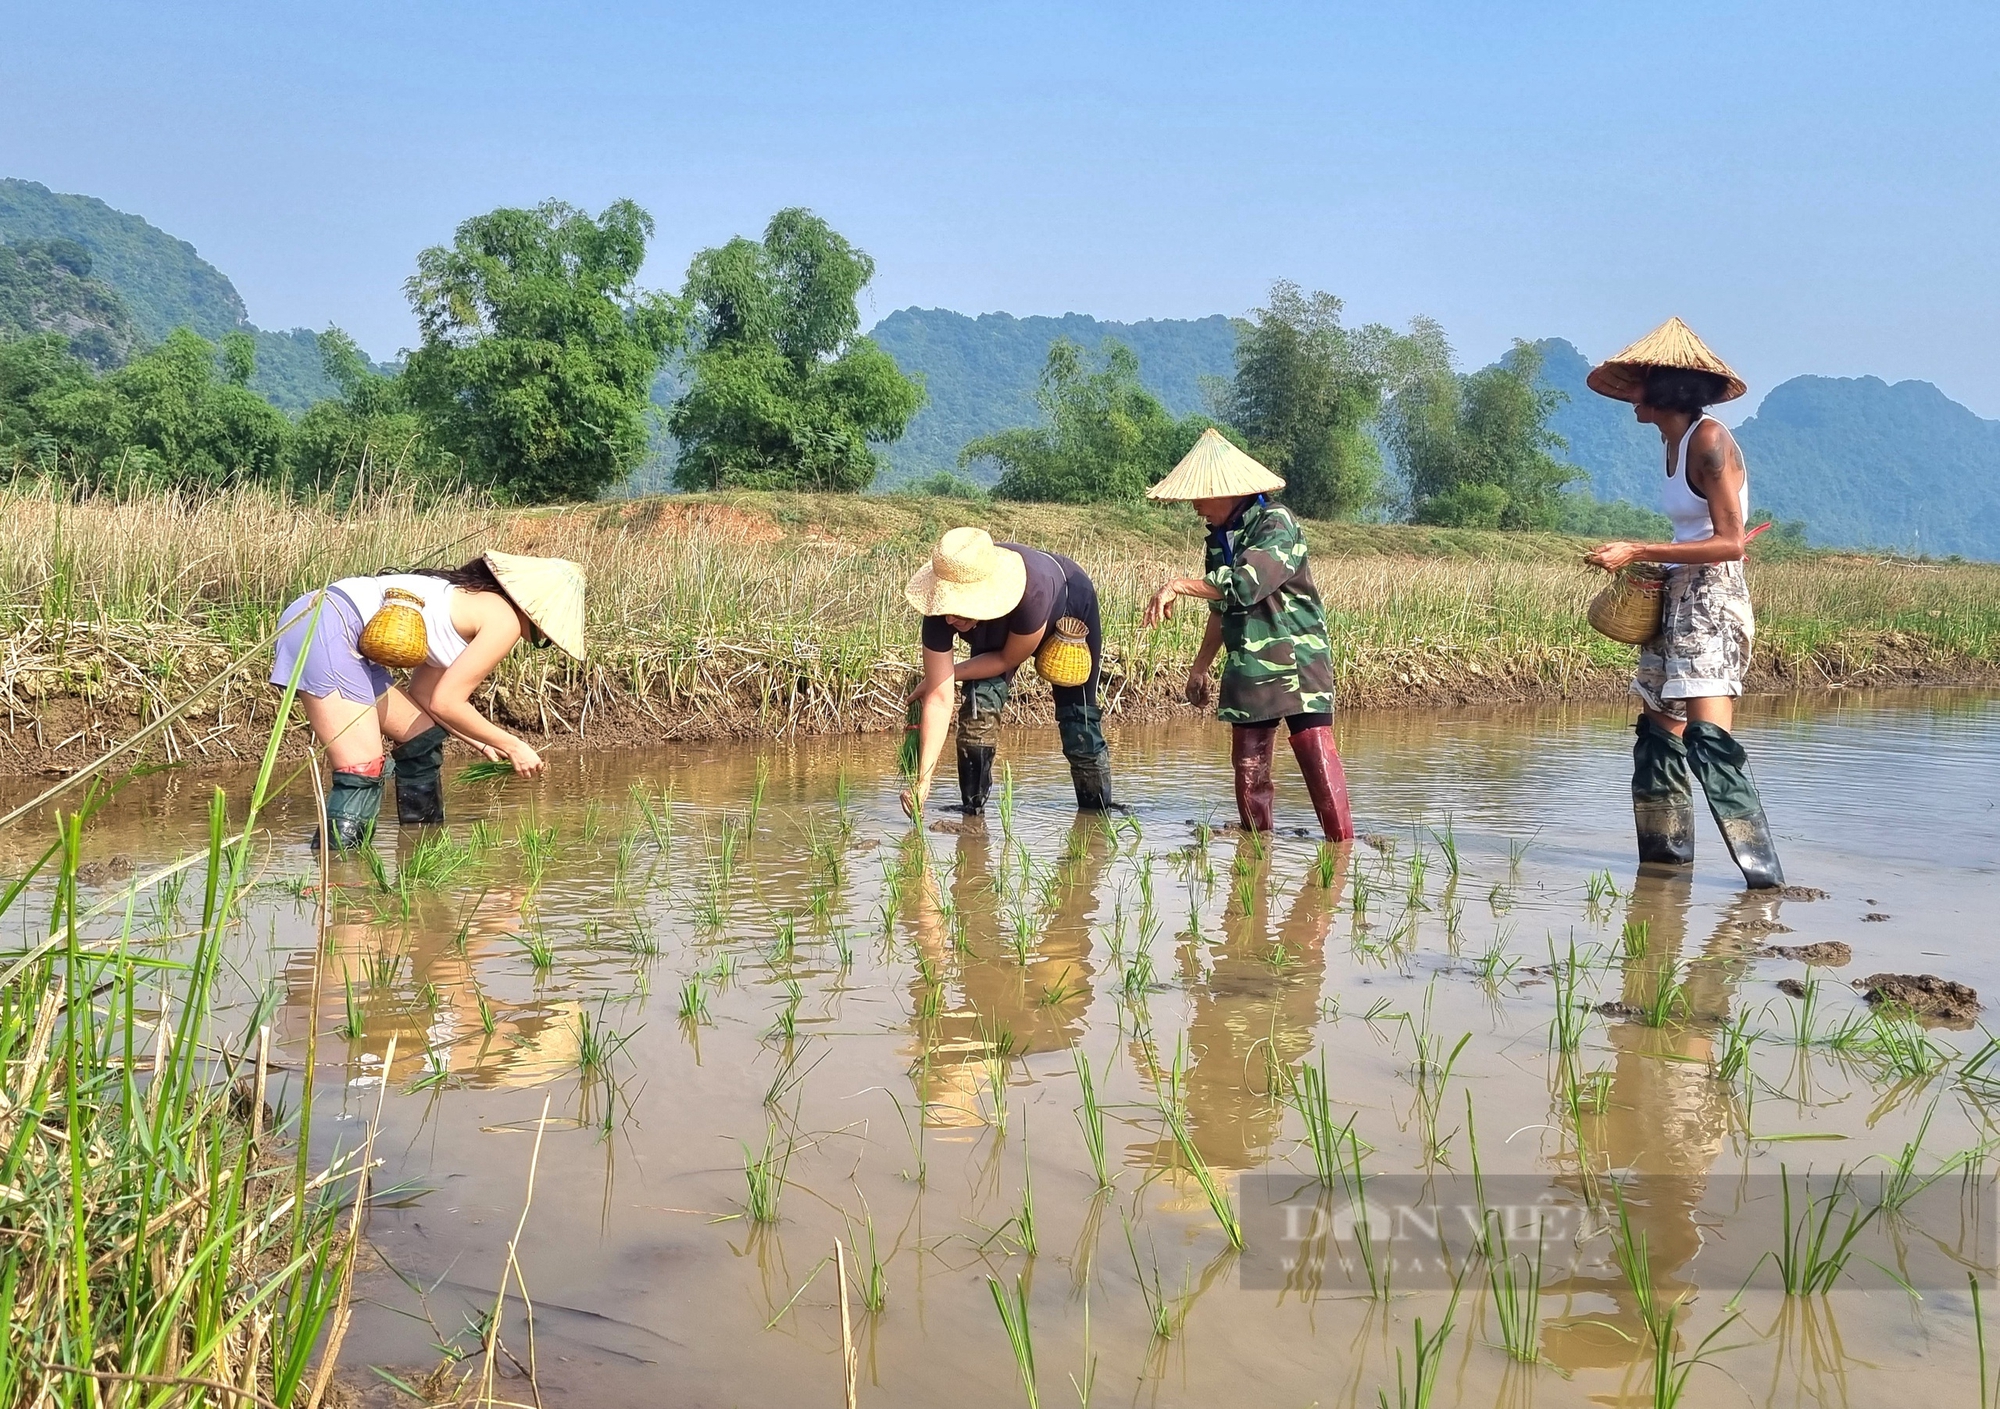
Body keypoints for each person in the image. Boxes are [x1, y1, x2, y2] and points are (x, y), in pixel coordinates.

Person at [1584, 317, 1783, 888]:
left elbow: (1730, 543)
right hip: (1674, 593)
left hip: (1712, 599)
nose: (1632, 396)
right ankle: (1663, 876)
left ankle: (1763, 882)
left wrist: (1637, 548)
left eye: (1643, 382)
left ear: (1667, 388)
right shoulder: (1672, 441)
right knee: (1656, 732)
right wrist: (1651, 562)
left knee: (1707, 738)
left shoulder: (1710, 440)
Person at [269, 552, 586, 848]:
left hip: (318, 613)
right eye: (546, 636)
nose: (542, 638)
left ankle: (421, 845)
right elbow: (448, 703)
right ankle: (340, 878)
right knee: (361, 769)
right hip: (326, 627)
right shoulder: (505, 621)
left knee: (421, 736)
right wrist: (515, 745)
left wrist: (485, 742)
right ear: (534, 612)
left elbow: (427, 698)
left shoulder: (469, 596)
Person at [1139, 429, 1354, 841]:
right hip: (1250, 664)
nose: (1196, 506)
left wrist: (1177, 585)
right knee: (1248, 764)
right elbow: (1222, 606)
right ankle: (1257, 855)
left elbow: (1246, 585)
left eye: (1201, 497)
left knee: (1314, 753)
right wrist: (1200, 667)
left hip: (1297, 660)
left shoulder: (1277, 523)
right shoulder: (1219, 541)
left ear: (1229, 492)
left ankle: (1341, 851)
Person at [901, 527, 1114, 817]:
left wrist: (945, 675)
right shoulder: (940, 611)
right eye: (946, 607)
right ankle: (971, 816)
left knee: (1078, 719)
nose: (950, 617)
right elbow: (939, 699)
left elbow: (1006, 658)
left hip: (1066, 606)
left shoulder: (1031, 594)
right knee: (978, 712)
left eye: (959, 607)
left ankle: (1095, 815)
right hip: (997, 629)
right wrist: (923, 781)